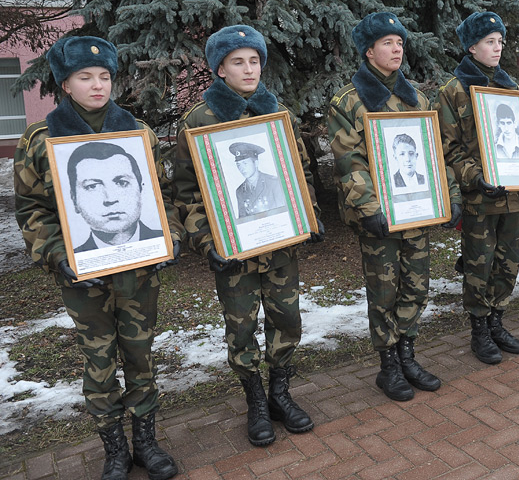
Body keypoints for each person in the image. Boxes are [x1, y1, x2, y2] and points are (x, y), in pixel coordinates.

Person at [14, 36, 182, 480]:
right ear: (65, 84)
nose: (97, 85)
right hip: (83, 279)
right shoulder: (41, 138)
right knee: (100, 361)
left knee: (140, 354)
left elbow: (163, 197)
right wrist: (56, 255)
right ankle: (114, 449)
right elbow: (31, 209)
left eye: (104, 76)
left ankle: (146, 442)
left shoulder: (137, 132)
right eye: (84, 77)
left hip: (139, 273)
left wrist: (172, 237)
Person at [173, 25, 322, 447]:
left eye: (254, 60)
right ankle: (254, 399)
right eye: (238, 61)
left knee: (286, 319)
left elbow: (301, 171)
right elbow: (186, 194)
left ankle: (279, 393)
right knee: (241, 328)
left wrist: (308, 214)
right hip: (233, 254)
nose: (249, 69)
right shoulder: (198, 121)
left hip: (280, 246)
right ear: (220, 69)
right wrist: (207, 242)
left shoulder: (278, 114)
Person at [329, 12, 462, 401]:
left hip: (417, 210)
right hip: (380, 218)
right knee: (384, 290)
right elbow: (348, 160)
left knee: (416, 285)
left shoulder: (416, 98)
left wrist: (450, 195)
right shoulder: (349, 101)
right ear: (368, 51)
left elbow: (434, 153)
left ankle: (408, 354)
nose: (396, 49)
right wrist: (368, 208)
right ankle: (388, 366)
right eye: (387, 43)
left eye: (399, 42)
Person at [437, 11, 519, 365]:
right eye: (490, 41)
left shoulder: (511, 88)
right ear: (472, 46)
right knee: (480, 264)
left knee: (508, 263)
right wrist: (475, 177)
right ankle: (479, 328)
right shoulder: (454, 90)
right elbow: (449, 148)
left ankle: (497, 321)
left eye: (500, 41)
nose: (497, 48)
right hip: (480, 196)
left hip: (512, 194)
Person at [67, 141, 164, 252]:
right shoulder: (74, 258)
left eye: (122, 183)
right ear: (74, 200)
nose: (110, 199)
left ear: (141, 190)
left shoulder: (165, 240)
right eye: (92, 186)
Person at [229, 142, 286, 217]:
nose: (241, 168)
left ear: (256, 163)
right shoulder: (240, 191)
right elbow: (243, 220)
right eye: (238, 165)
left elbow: (284, 214)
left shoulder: (274, 183)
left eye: (245, 163)